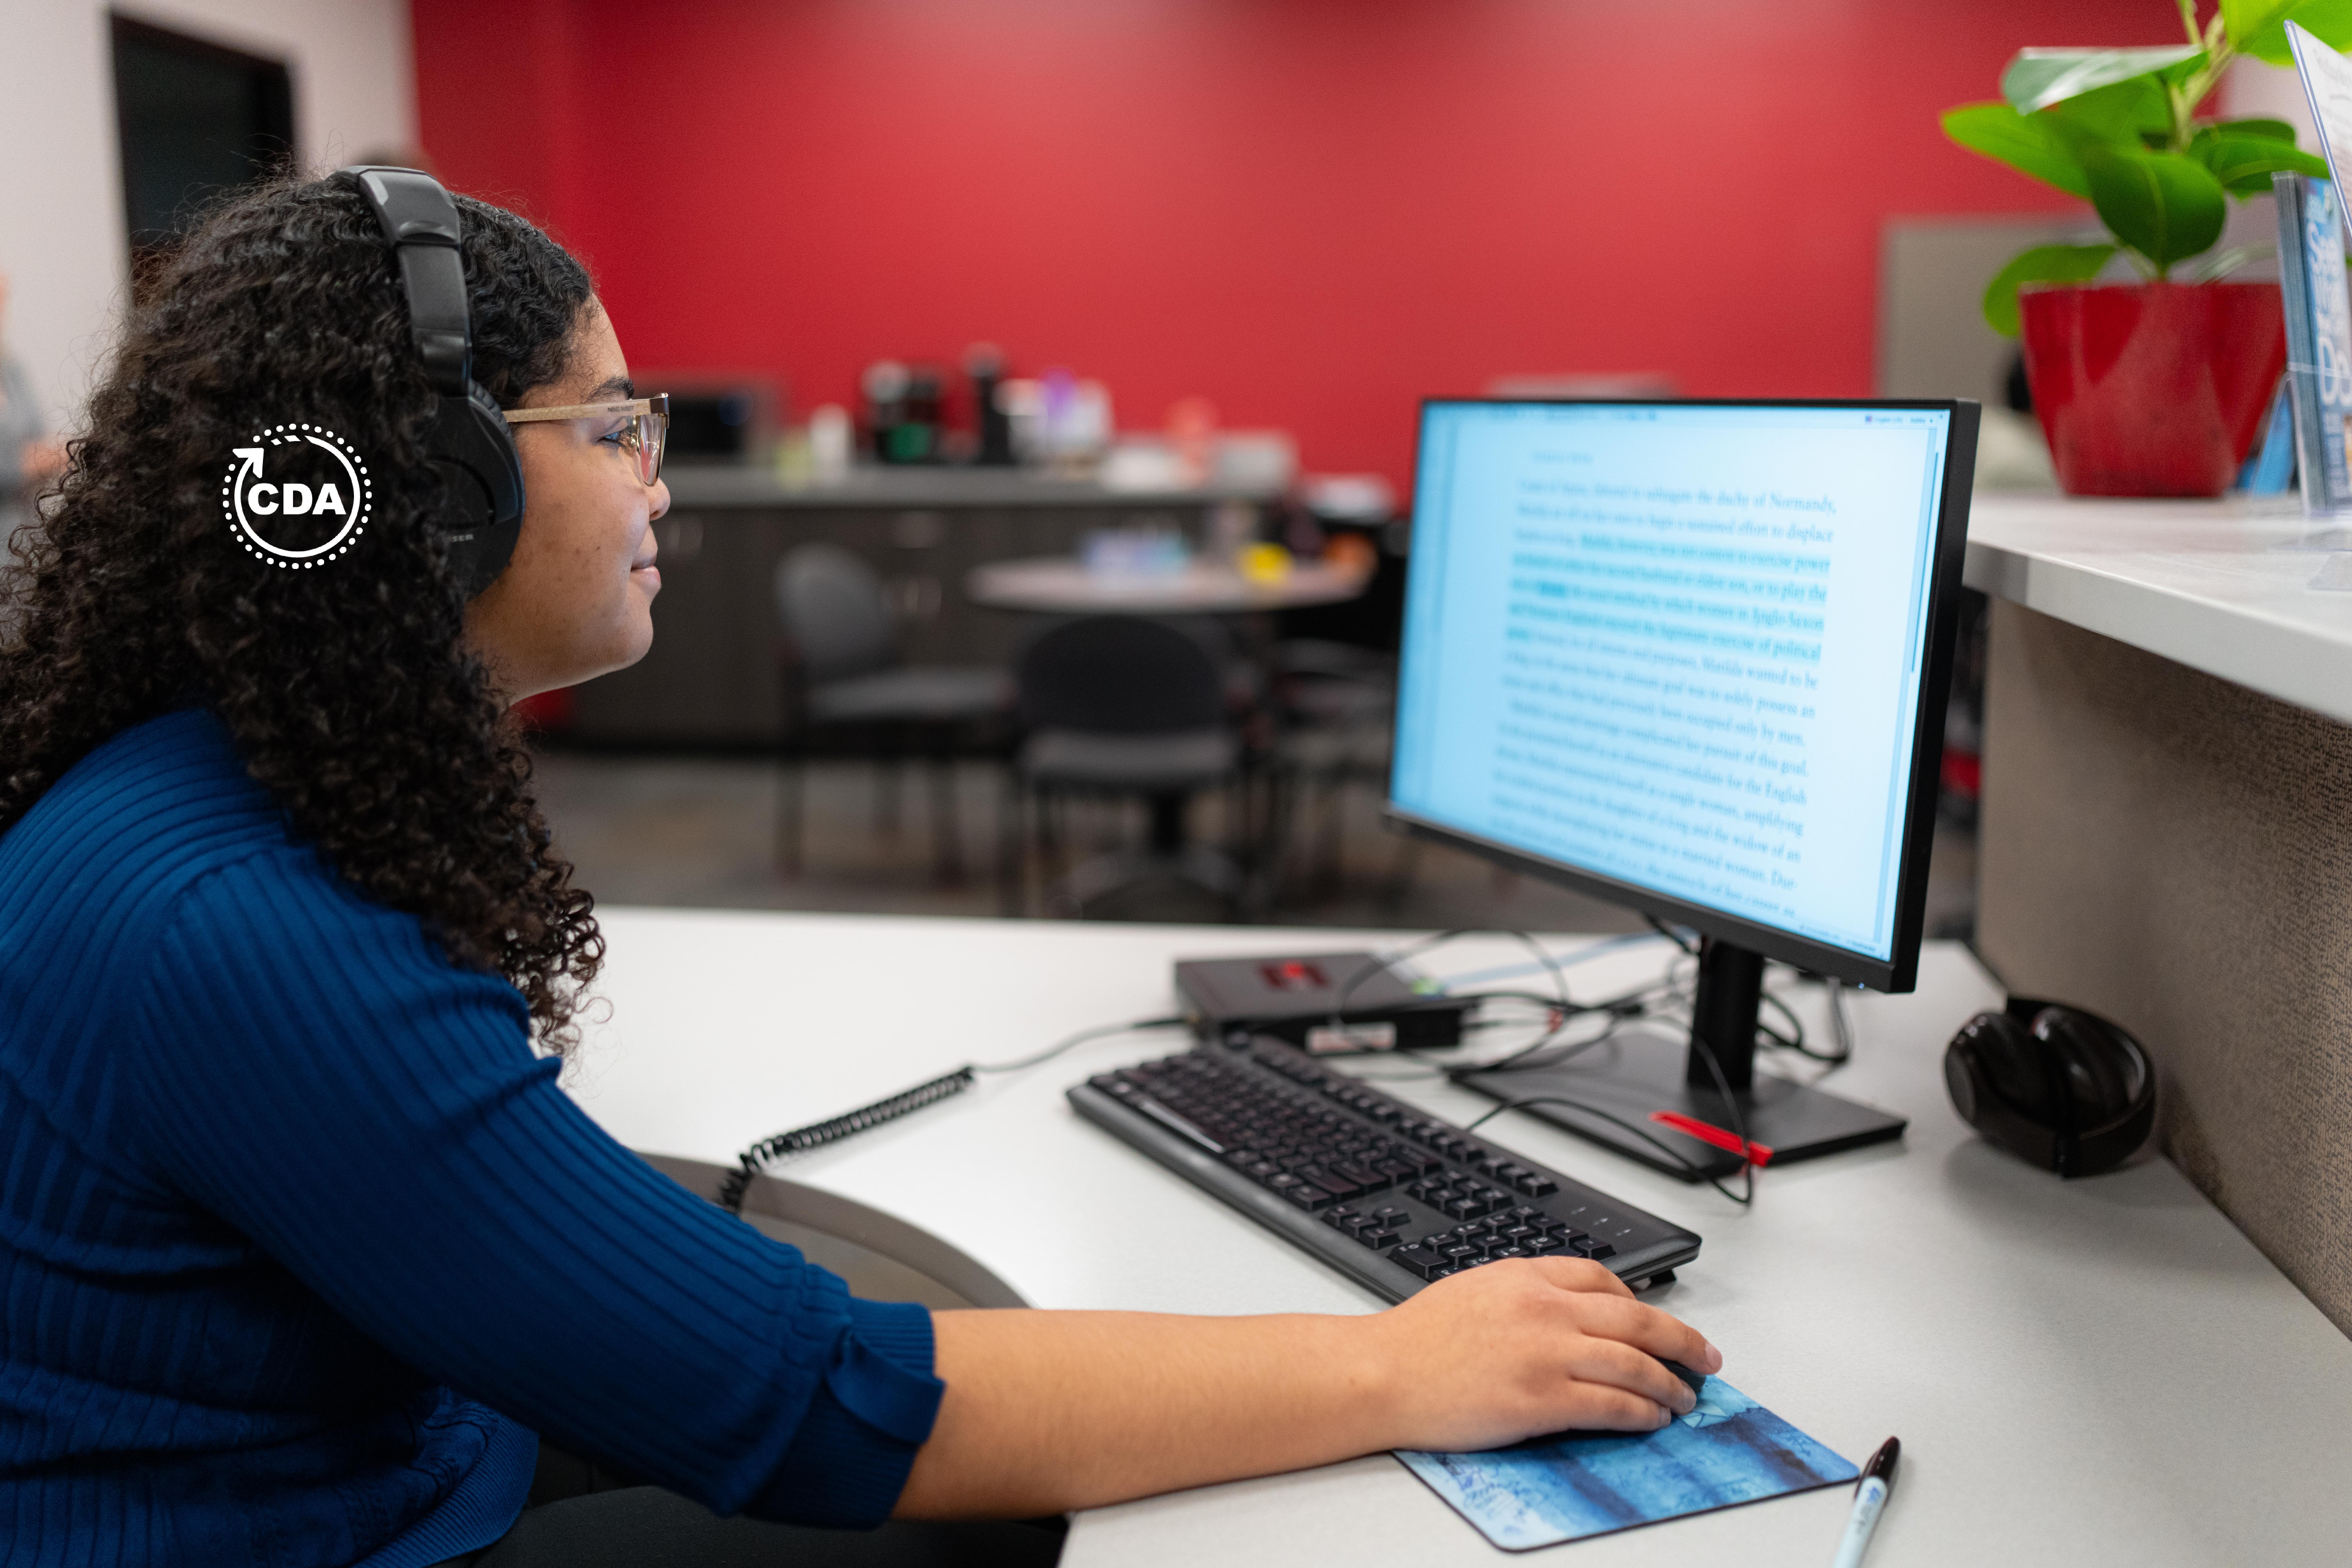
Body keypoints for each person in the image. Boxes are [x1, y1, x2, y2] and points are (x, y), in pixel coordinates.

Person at [0, 172, 1720, 1567]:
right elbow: (819, 1403)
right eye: (614, 427)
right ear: (441, 494)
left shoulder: (211, 788)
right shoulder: (233, 923)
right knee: (1004, 1509)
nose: (655, 478)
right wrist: (1394, 1364)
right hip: (304, 1528)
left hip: (363, 1450)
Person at [0, 271, 69, 599]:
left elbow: (43, 444)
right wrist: (21, 463)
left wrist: (44, 457)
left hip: (21, 536)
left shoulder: (11, 369)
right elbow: (29, 457)